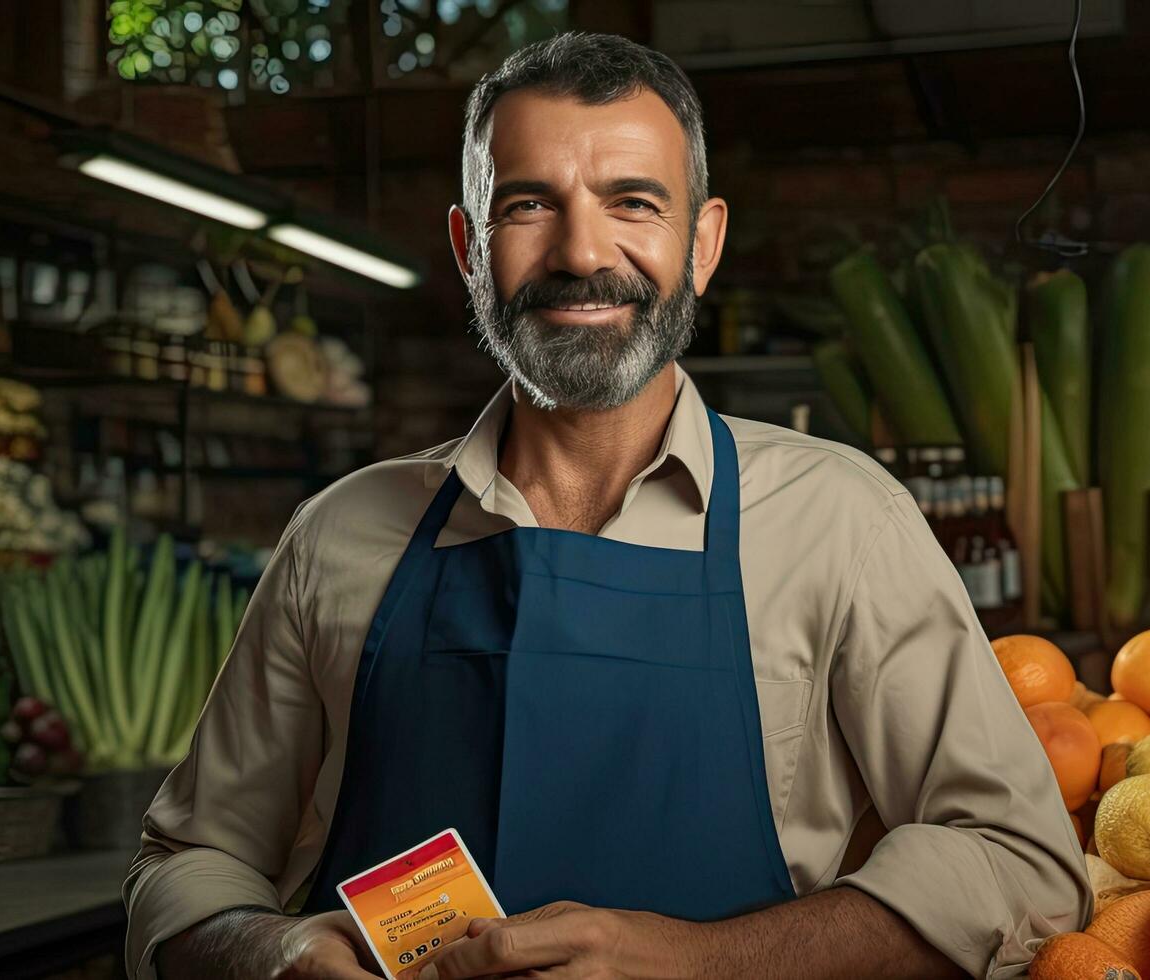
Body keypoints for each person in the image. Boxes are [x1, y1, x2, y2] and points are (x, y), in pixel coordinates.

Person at [124, 31, 1088, 980]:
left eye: (632, 201)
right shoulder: (338, 535)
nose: (583, 252)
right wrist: (274, 950)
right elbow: (186, 866)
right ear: (469, 246)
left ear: (702, 243)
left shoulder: (842, 522)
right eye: (529, 204)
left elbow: (1018, 864)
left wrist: (705, 962)